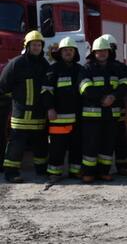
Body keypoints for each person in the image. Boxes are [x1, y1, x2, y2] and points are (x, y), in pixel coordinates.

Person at [1, 31, 50, 182]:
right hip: (21, 116)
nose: (37, 47)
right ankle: (11, 173)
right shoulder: (16, 64)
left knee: (41, 145)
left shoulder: (44, 65)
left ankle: (41, 171)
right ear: (27, 46)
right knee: (16, 146)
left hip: (38, 115)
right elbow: (3, 86)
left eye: (39, 45)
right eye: (34, 45)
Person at [79, 36, 127, 183]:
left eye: (104, 51)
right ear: (94, 53)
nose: (102, 54)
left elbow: (124, 85)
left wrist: (113, 97)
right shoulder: (87, 68)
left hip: (110, 115)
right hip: (91, 116)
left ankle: (104, 172)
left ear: (109, 52)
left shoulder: (118, 68)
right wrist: (103, 98)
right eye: (99, 52)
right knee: (91, 145)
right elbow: (84, 88)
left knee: (108, 144)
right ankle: (88, 173)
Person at [43, 37, 84, 182]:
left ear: (75, 52)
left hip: (77, 117)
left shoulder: (80, 69)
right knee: (57, 147)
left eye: (71, 50)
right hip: (59, 117)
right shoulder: (53, 69)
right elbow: (47, 91)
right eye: (65, 50)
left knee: (77, 146)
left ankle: (75, 171)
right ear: (60, 52)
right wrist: (50, 109)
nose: (68, 52)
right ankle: (54, 172)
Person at [101, 34, 127, 176]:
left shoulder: (120, 67)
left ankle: (122, 166)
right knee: (104, 140)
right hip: (102, 112)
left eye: (111, 48)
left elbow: (125, 87)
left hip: (118, 109)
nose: (109, 51)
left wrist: (126, 107)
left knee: (121, 139)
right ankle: (103, 168)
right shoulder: (95, 66)